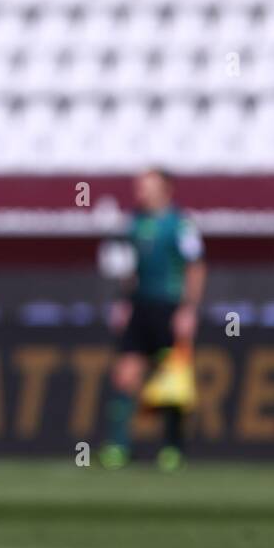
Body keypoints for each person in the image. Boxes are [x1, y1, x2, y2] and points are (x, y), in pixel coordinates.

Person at [99, 168, 206, 471]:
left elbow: (195, 267)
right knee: (124, 375)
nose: (140, 192)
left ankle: (172, 448)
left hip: (169, 307)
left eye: (147, 186)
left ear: (166, 189)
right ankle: (119, 447)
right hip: (141, 306)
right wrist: (124, 302)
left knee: (171, 381)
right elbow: (132, 268)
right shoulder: (134, 223)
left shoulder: (179, 225)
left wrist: (188, 309)